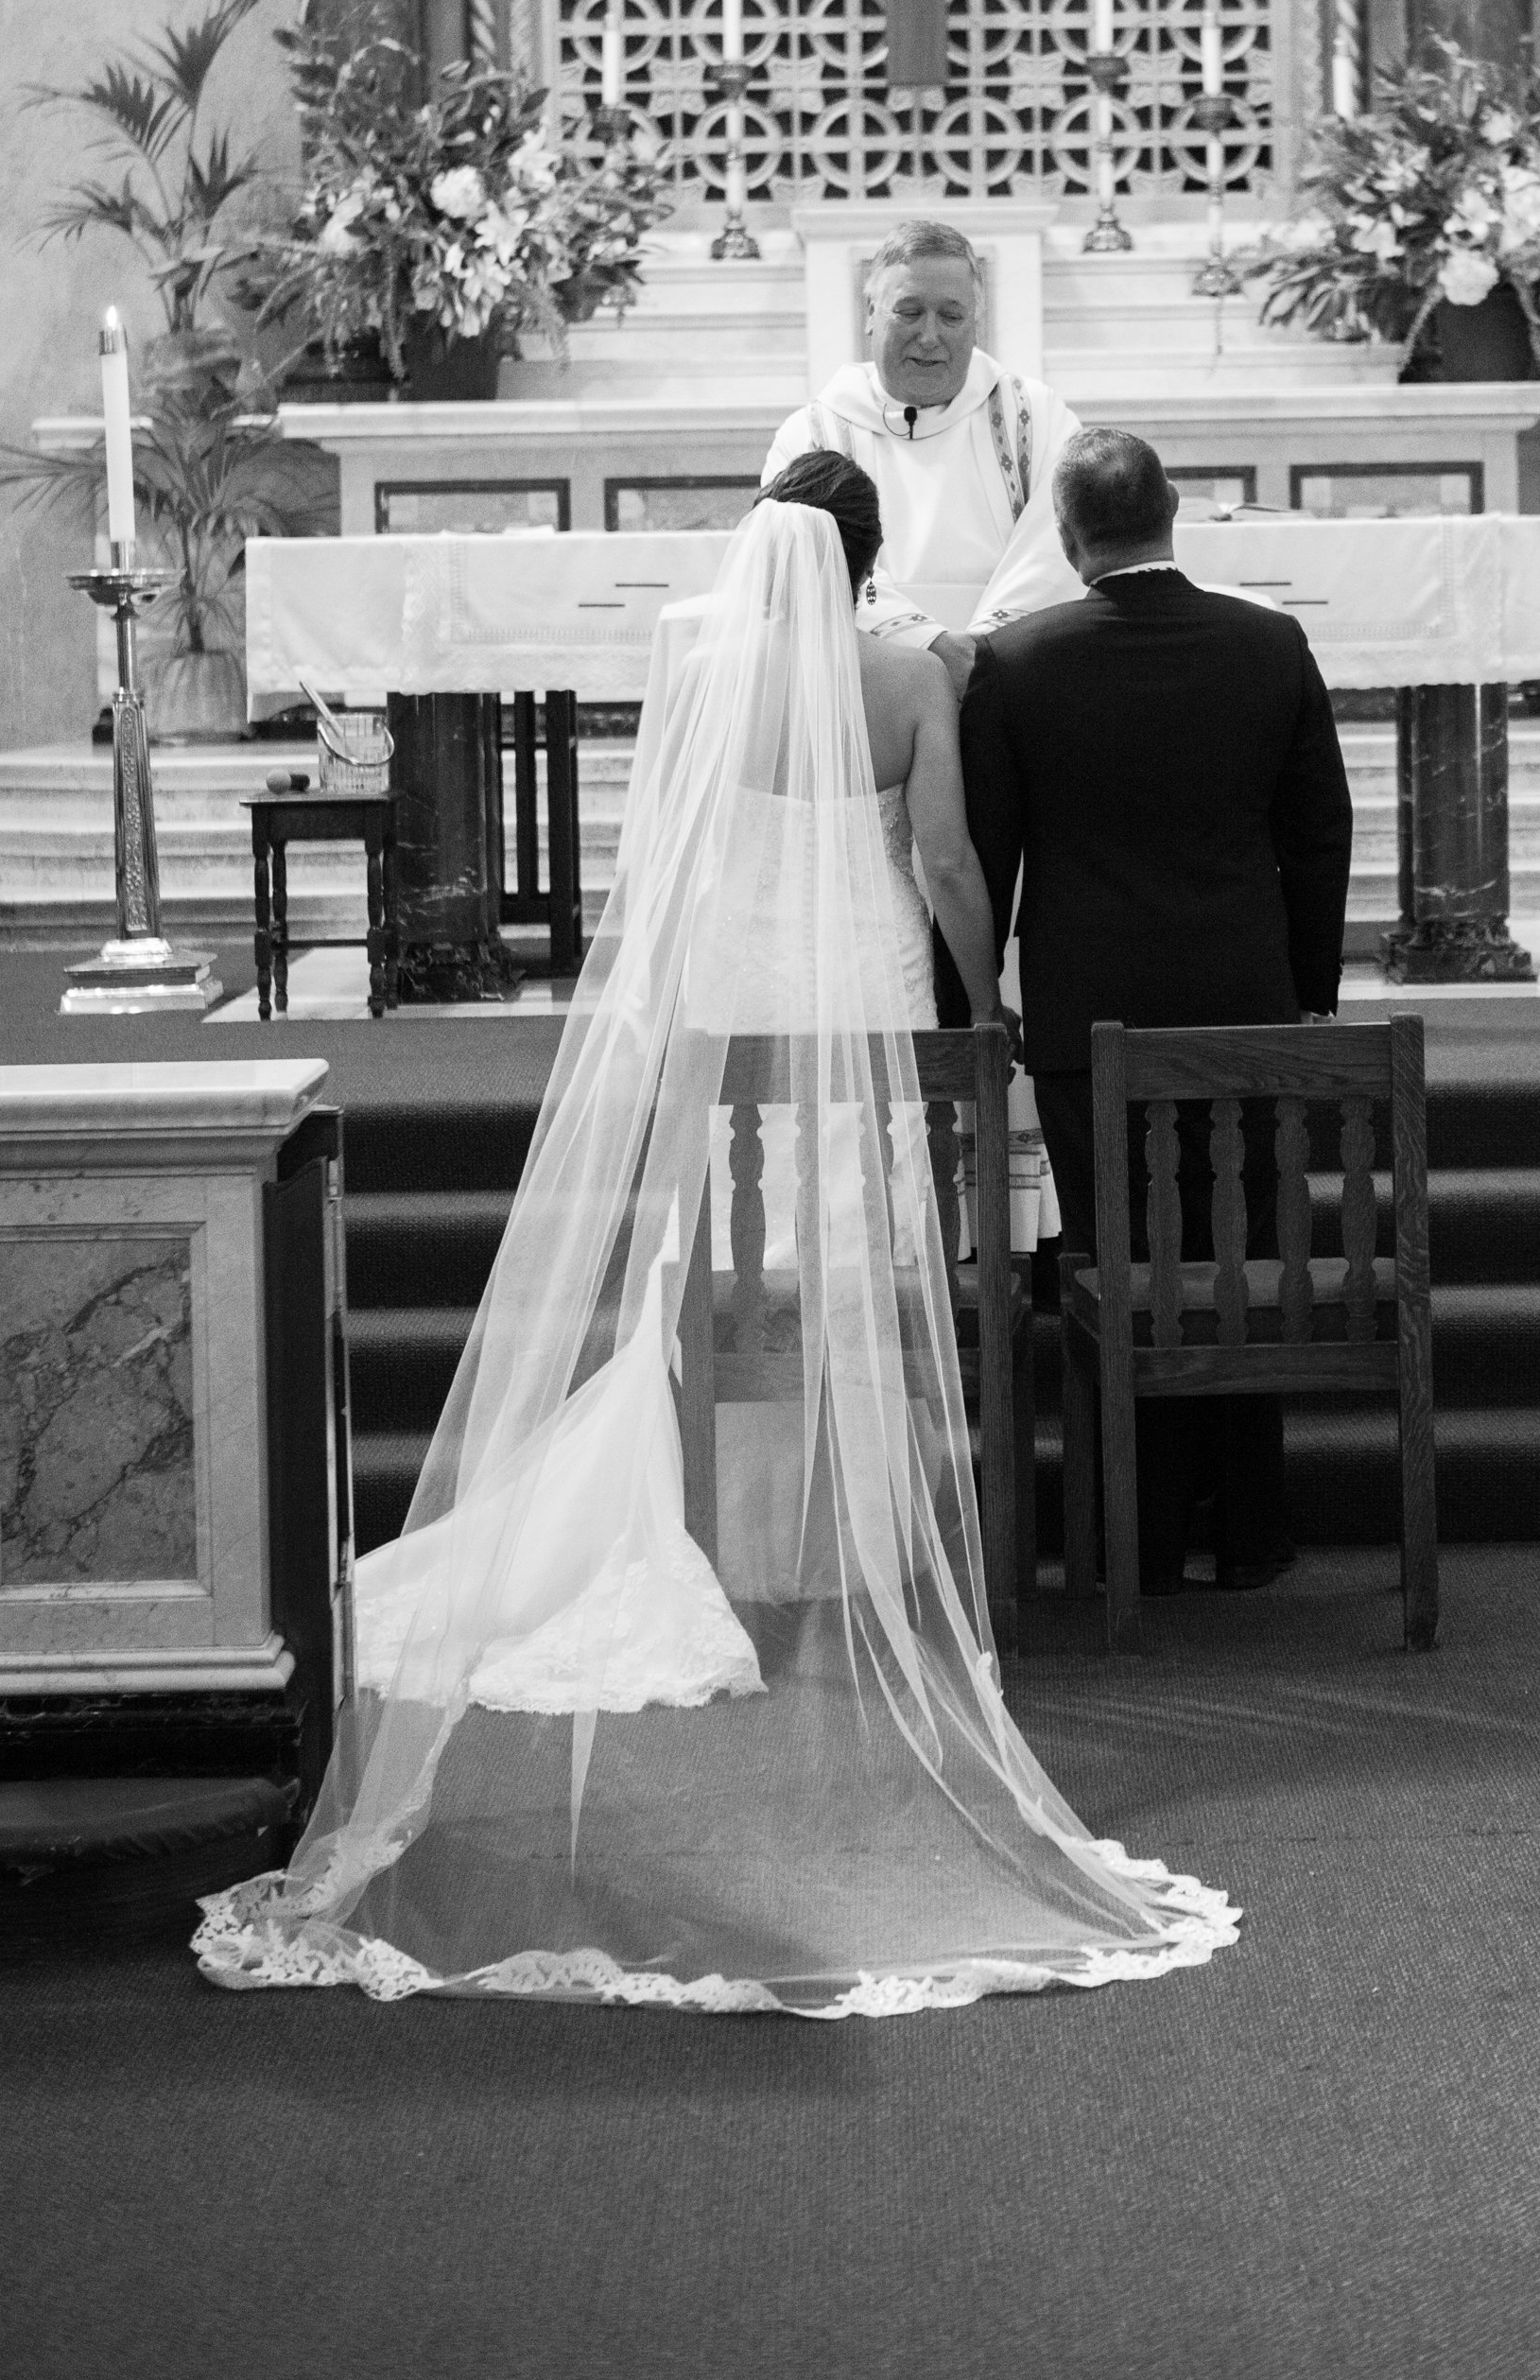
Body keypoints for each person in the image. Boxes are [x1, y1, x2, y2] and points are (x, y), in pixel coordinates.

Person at [194, 463, 1232, 2012]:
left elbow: (658, 862)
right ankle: (847, 1544)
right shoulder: (909, 671)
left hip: (728, 1003)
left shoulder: (695, 656)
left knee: (716, 1282)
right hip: (859, 1001)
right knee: (860, 1280)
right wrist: (986, 997)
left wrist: (660, 1018)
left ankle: (731, 1542)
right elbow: (947, 859)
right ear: (872, 558)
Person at [959, 426, 1356, 1593]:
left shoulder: (1016, 662)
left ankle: (1125, 1533)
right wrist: (1309, 997)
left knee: (1120, 1264)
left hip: (1091, 1021)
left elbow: (990, 855)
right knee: (1240, 1258)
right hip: (1246, 1009)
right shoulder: (1271, 643)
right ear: (1174, 513)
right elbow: (1318, 835)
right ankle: (1247, 1534)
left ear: (1068, 536)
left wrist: (974, 1009)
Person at [762, 216, 1083, 699]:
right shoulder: (814, 436)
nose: (930, 336)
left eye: (951, 316)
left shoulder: (1033, 417)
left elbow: (1057, 543)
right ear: (870, 311)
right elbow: (809, 564)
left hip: (1014, 678)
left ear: (975, 319)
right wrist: (926, 642)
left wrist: (984, 650)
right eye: (908, 312)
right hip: (868, 688)